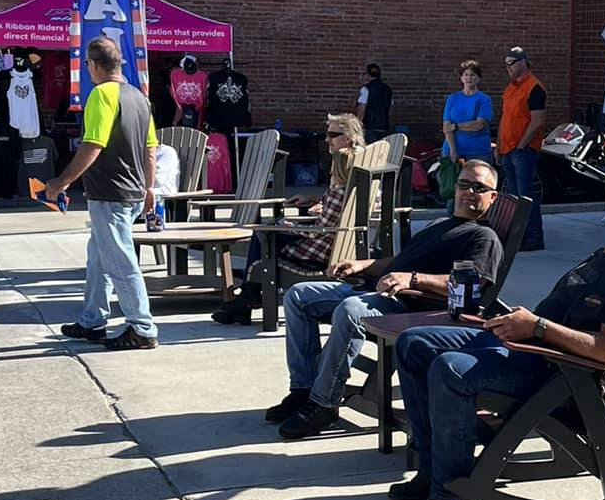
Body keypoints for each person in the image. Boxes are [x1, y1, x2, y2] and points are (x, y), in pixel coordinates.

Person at [390, 177, 605, 500]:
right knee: (414, 344)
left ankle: (449, 495)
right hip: (528, 347)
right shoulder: (604, 258)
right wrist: (521, 323)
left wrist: (536, 327)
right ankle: (430, 470)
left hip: (560, 377)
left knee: (451, 370)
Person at [272, 158, 505, 438]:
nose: (469, 191)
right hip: (381, 289)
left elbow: (475, 283)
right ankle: (303, 389)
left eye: (479, 187)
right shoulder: (442, 223)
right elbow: (402, 260)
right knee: (298, 295)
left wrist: (414, 279)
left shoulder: (483, 237)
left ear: (492, 197)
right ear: (454, 188)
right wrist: (364, 265)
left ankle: (323, 404)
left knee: (351, 310)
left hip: (413, 304)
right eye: (464, 184)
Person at [46, 36, 159, 350]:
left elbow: (92, 144)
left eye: (86, 64)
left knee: (120, 262)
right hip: (133, 191)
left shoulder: (100, 95)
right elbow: (151, 149)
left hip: (110, 194)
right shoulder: (139, 97)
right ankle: (92, 320)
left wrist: (62, 181)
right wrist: (149, 187)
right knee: (99, 257)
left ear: (93, 65)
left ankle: (142, 327)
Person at [212, 112, 365, 325]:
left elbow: (326, 225)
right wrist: (316, 199)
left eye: (332, 135)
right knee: (267, 234)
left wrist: (289, 226)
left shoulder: (343, 172)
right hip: (338, 243)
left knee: (264, 235)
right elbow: (341, 208)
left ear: (347, 137)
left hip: (320, 249)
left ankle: (248, 296)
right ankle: (247, 298)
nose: (326, 139)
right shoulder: (358, 171)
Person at [497, 45, 548, 251]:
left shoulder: (535, 87)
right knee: (514, 195)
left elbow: (537, 121)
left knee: (526, 196)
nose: (508, 67)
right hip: (507, 149)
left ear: (523, 62)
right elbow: (505, 118)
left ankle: (534, 237)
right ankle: (519, 236)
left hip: (522, 150)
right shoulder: (510, 88)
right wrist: (500, 145)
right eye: (506, 63)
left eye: (511, 62)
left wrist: (521, 145)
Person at [441, 61, 493, 192]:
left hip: (478, 152)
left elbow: (480, 124)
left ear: (479, 78)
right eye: (466, 75)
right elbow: (447, 127)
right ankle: (452, 213)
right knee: (453, 191)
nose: (469, 78)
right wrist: (453, 150)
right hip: (453, 151)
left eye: (473, 75)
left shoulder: (484, 99)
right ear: (461, 78)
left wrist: (457, 126)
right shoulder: (452, 99)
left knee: (480, 191)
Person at [357, 63, 393, 140]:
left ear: (367, 75)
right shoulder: (388, 89)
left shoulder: (366, 89)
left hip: (369, 127)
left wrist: (358, 125)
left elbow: (361, 109)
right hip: (384, 126)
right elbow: (390, 110)